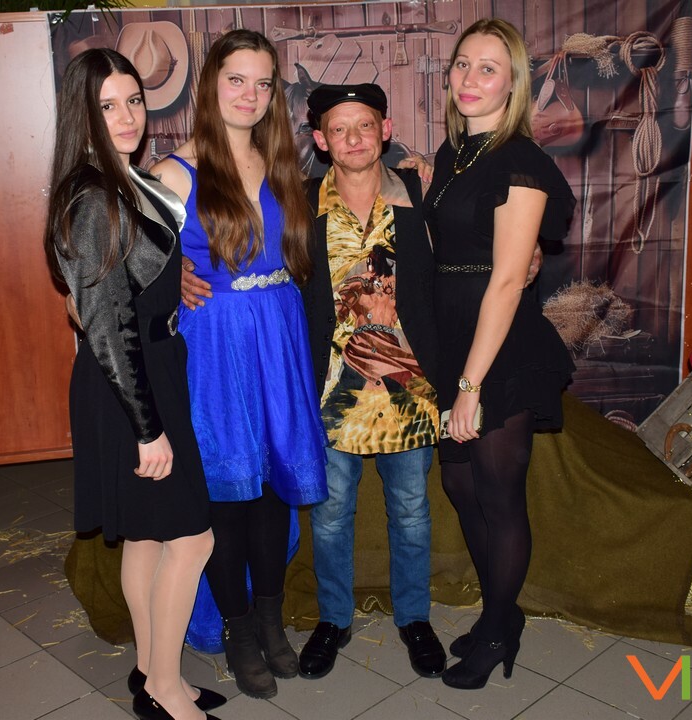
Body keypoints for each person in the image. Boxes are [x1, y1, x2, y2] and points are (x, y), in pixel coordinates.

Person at [43, 49, 224, 720]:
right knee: (193, 538)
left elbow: (121, 285)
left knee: (146, 536)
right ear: (83, 114)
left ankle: (150, 674)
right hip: (130, 384)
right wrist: (147, 428)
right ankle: (168, 689)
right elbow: (106, 323)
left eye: (135, 101)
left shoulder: (126, 179)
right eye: (108, 105)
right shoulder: (93, 196)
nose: (128, 117)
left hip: (152, 367)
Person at [152, 29, 329, 700]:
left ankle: (270, 621)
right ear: (211, 85)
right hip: (217, 345)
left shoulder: (282, 162)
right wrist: (172, 280)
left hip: (278, 336)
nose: (250, 95)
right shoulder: (175, 173)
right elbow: (129, 272)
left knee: (275, 489)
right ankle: (237, 628)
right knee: (229, 492)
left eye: (263, 83)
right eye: (236, 80)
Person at [423, 19, 575, 690]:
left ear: (513, 84)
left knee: (498, 492)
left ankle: (496, 631)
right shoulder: (454, 154)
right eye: (463, 64)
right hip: (453, 336)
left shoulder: (521, 161)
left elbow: (509, 280)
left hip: (499, 346)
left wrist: (470, 385)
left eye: (488, 68)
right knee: (461, 486)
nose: (470, 78)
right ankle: (500, 614)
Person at [293, 83, 447, 681]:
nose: (353, 138)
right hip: (329, 391)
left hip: (410, 388)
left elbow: (467, 261)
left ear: (385, 129)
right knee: (331, 515)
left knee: (410, 510)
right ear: (320, 139)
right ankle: (333, 619)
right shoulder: (299, 203)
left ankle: (415, 618)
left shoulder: (420, 193)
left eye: (364, 125)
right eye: (339, 128)